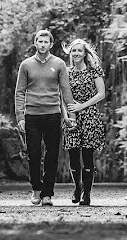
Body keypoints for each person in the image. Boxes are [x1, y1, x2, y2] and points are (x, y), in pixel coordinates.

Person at [15, 29, 78, 207]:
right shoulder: (26, 65)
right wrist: (20, 116)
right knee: (34, 154)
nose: (42, 45)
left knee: (52, 155)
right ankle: (36, 189)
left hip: (53, 114)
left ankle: (47, 194)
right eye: (39, 41)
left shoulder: (58, 64)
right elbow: (19, 92)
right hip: (32, 115)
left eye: (46, 42)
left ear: (51, 44)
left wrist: (71, 115)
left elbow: (66, 90)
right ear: (35, 43)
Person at [61, 38, 106, 206]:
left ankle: (86, 193)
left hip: (90, 116)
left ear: (85, 53)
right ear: (70, 53)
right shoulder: (65, 72)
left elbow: (101, 94)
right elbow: (62, 97)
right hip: (72, 117)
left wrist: (82, 106)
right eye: (74, 51)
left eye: (80, 50)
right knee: (73, 155)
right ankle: (77, 187)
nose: (77, 53)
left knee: (87, 155)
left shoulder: (94, 71)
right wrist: (66, 116)